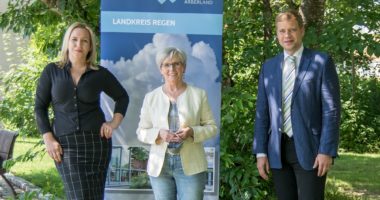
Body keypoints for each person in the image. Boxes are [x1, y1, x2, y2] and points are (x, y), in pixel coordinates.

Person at [34, 22, 129, 200]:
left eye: (84, 41)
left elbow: (122, 97)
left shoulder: (100, 74)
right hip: (65, 145)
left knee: (94, 195)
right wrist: (48, 138)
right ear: (67, 43)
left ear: (90, 46)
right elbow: (39, 107)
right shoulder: (52, 71)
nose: (79, 45)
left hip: (97, 144)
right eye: (74, 40)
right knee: (78, 195)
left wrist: (113, 123)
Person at [253, 9, 341, 200]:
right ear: (276, 34)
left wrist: (326, 150)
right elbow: (262, 112)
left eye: (292, 30)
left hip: (311, 149)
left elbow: (331, 111)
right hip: (277, 150)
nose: (287, 35)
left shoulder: (321, 61)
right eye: (282, 31)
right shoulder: (268, 67)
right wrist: (261, 151)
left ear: (302, 30)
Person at [136, 47, 217, 200]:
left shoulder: (199, 94)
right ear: (160, 69)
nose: (171, 68)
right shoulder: (150, 97)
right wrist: (159, 133)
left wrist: (192, 131)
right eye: (166, 65)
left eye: (176, 64)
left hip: (191, 166)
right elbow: (141, 131)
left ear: (184, 67)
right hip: (160, 167)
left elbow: (211, 127)